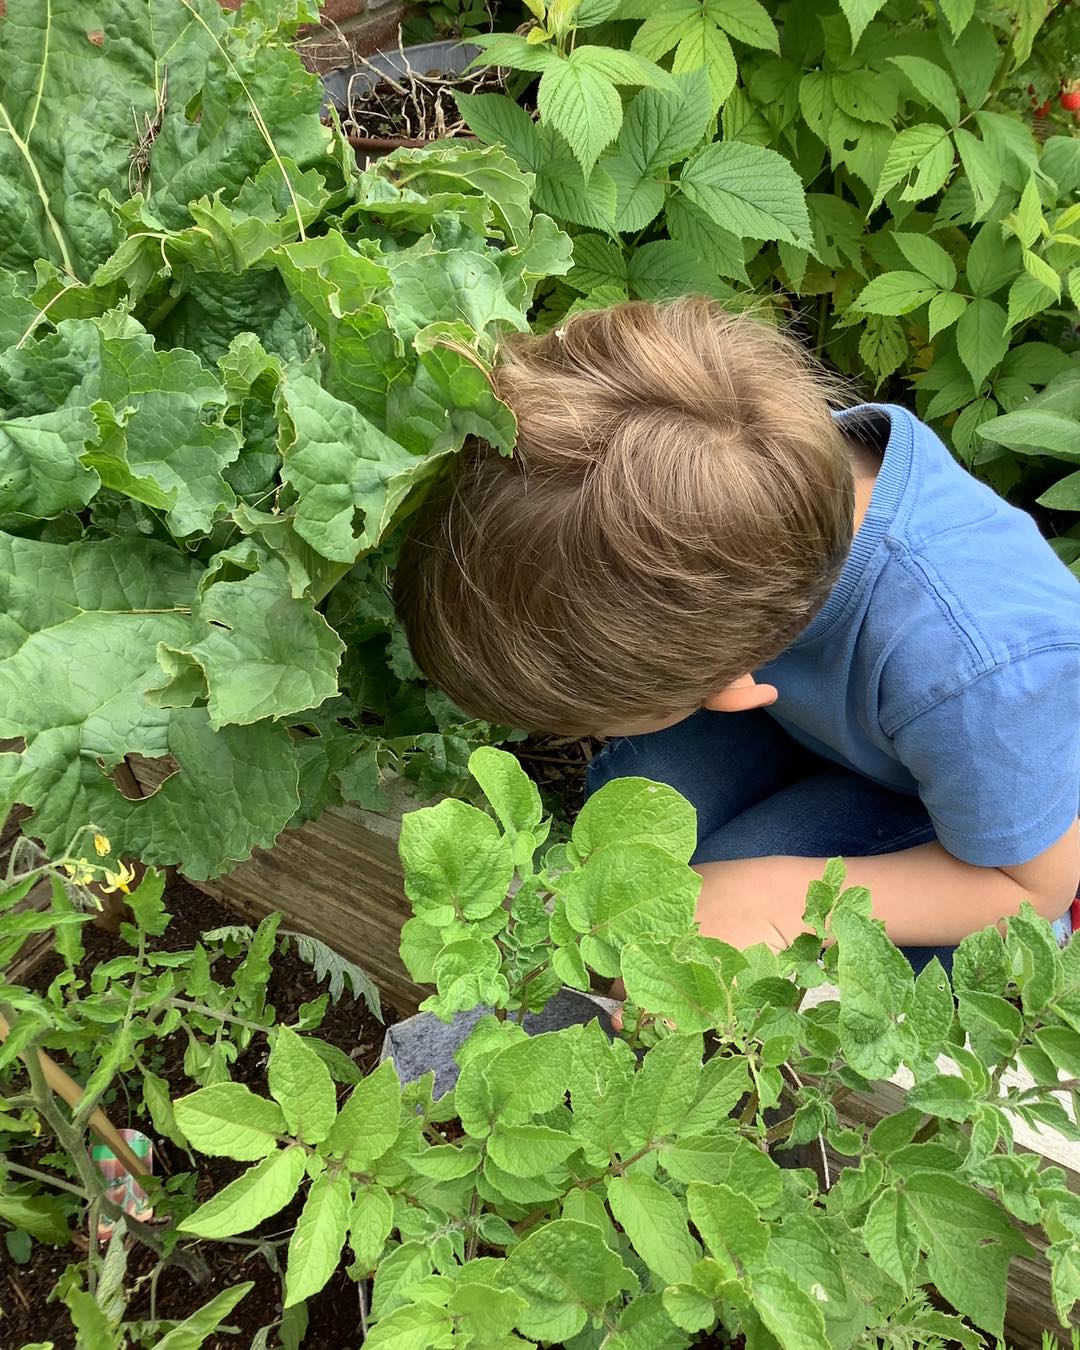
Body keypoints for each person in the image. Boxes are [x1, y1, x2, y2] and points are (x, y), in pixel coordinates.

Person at [394, 297, 1080, 972]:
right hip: (840, 724)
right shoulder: (748, 466)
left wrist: (783, 898)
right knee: (642, 820)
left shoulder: (979, 667)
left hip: (992, 834)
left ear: (732, 683)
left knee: (710, 919)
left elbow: (1035, 889)